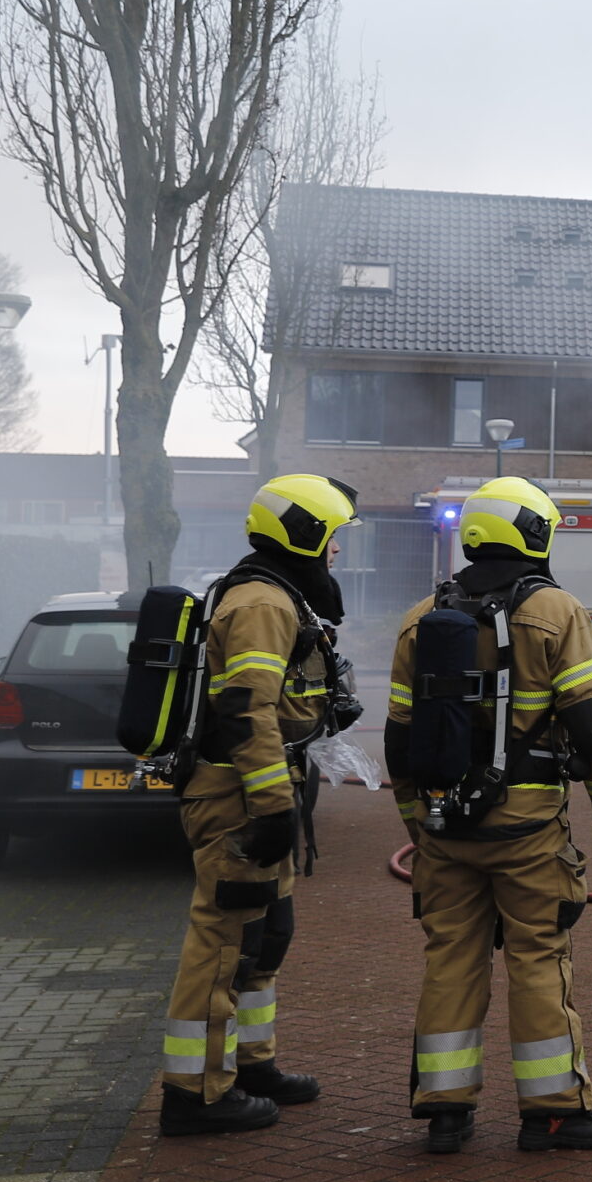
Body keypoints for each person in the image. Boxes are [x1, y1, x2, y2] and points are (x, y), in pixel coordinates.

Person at [384, 476, 592, 1155]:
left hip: (443, 830)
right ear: (536, 532)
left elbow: (399, 738)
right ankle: (555, 1112)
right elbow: (591, 723)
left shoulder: (418, 619)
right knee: (537, 958)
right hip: (527, 829)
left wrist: (418, 822)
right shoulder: (557, 612)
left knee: (450, 961)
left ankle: (444, 1110)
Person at [158, 473, 360, 1138]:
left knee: (265, 936)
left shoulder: (275, 595)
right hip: (237, 796)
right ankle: (195, 1093)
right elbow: (245, 708)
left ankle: (250, 1065)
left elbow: (278, 703)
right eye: (332, 538)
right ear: (303, 535)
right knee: (223, 942)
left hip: (256, 788)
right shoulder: (261, 603)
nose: (337, 552)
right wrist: (273, 806)